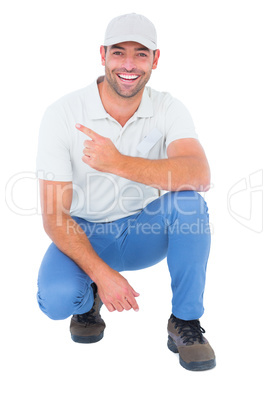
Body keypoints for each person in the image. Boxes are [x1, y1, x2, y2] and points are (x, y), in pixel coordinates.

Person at [36, 13, 216, 371]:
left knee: (190, 204)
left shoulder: (168, 107)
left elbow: (199, 175)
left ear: (155, 59)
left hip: (143, 231)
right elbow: (54, 214)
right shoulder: (62, 113)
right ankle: (88, 299)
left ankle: (185, 321)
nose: (129, 65)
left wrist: (118, 162)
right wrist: (102, 276)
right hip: (85, 232)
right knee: (57, 301)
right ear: (102, 55)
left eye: (141, 54)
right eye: (119, 53)